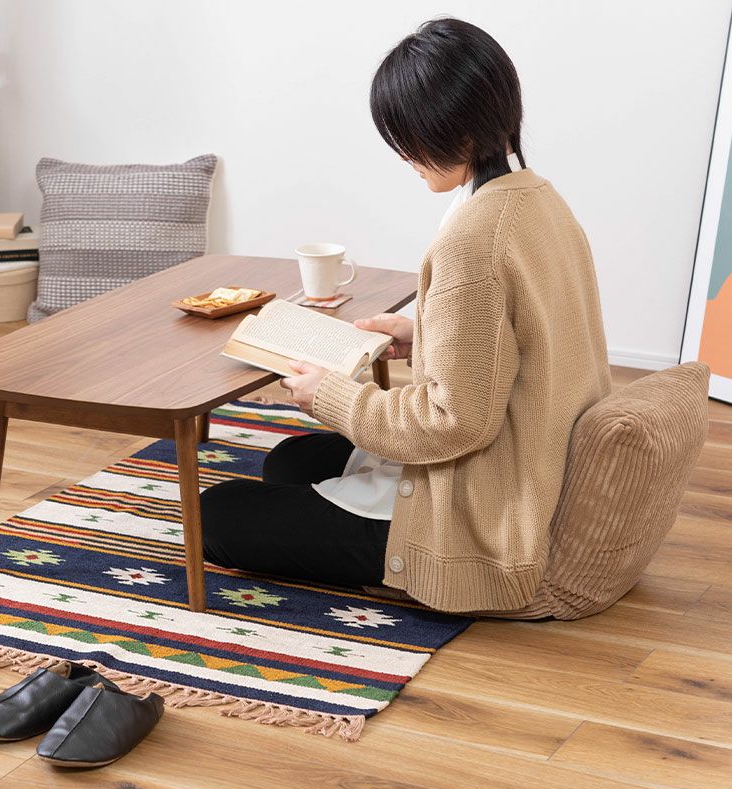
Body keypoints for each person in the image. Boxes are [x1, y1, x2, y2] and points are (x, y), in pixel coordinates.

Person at [200, 16, 611, 615]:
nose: (403, 155)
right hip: (534, 457)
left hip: (482, 503)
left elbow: (454, 424)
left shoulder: (473, 237)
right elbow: (533, 340)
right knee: (289, 460)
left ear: (455, 130)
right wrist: (424, 337)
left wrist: (332, 396)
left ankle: (403, 560)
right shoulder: (539, 198)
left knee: (215, 516)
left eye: (410, 137)